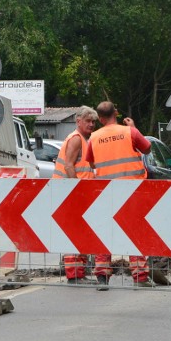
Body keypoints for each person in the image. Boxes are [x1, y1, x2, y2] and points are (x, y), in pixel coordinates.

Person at [84, 101, 154, 289]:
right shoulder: (129, 131)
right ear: (116, 112)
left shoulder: (94, 137)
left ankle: (101, 276)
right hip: (131, 189)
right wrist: (133, 127)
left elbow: (91, 163)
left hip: (106, 190)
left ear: (99, 119)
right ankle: (139, 276)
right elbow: (147, 148)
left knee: (105, 232)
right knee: (135, 231)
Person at [51, 106, 97, 284]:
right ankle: (75, 275)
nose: (91, 125)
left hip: (74, 193)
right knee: (74, 233)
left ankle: (79, 273)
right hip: (71, 194)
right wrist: (76, 190)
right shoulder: (76, 139)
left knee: (79, 233)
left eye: (93, 122)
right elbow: (69, 166)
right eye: (88, 121)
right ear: (78, 121)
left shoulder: (83, 139)